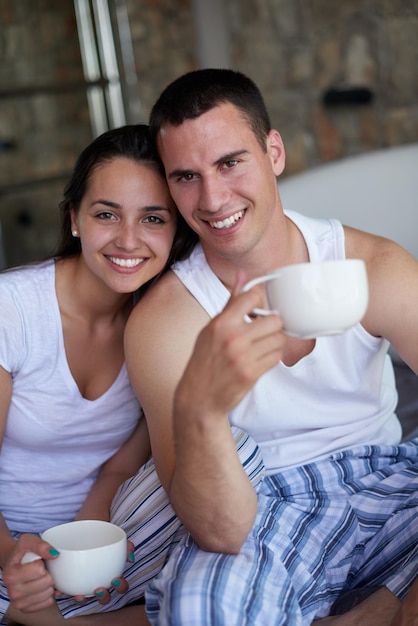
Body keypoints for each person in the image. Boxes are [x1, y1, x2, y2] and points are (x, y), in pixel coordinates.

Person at [124, 69, 418, 625]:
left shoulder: (373, 267)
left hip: (394, 485)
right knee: (199, 612)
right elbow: (220, 529)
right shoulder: (165, 322)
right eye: (186, 176)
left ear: (274, 152)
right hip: (263, 508)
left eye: (230, 162)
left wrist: (407, 603)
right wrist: (202, 408)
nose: (212, 198)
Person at [0, 124, 197, 626]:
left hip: (108, 523)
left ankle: (64, 613)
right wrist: (12, 556)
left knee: (225, 457)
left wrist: (90, 544)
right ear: (74, 218)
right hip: (6, 539)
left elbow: (121, 465)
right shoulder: (13, 309)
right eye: (106, 214)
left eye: (153, 218)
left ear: (176, 231)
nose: (127, 240)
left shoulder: (162, 324)